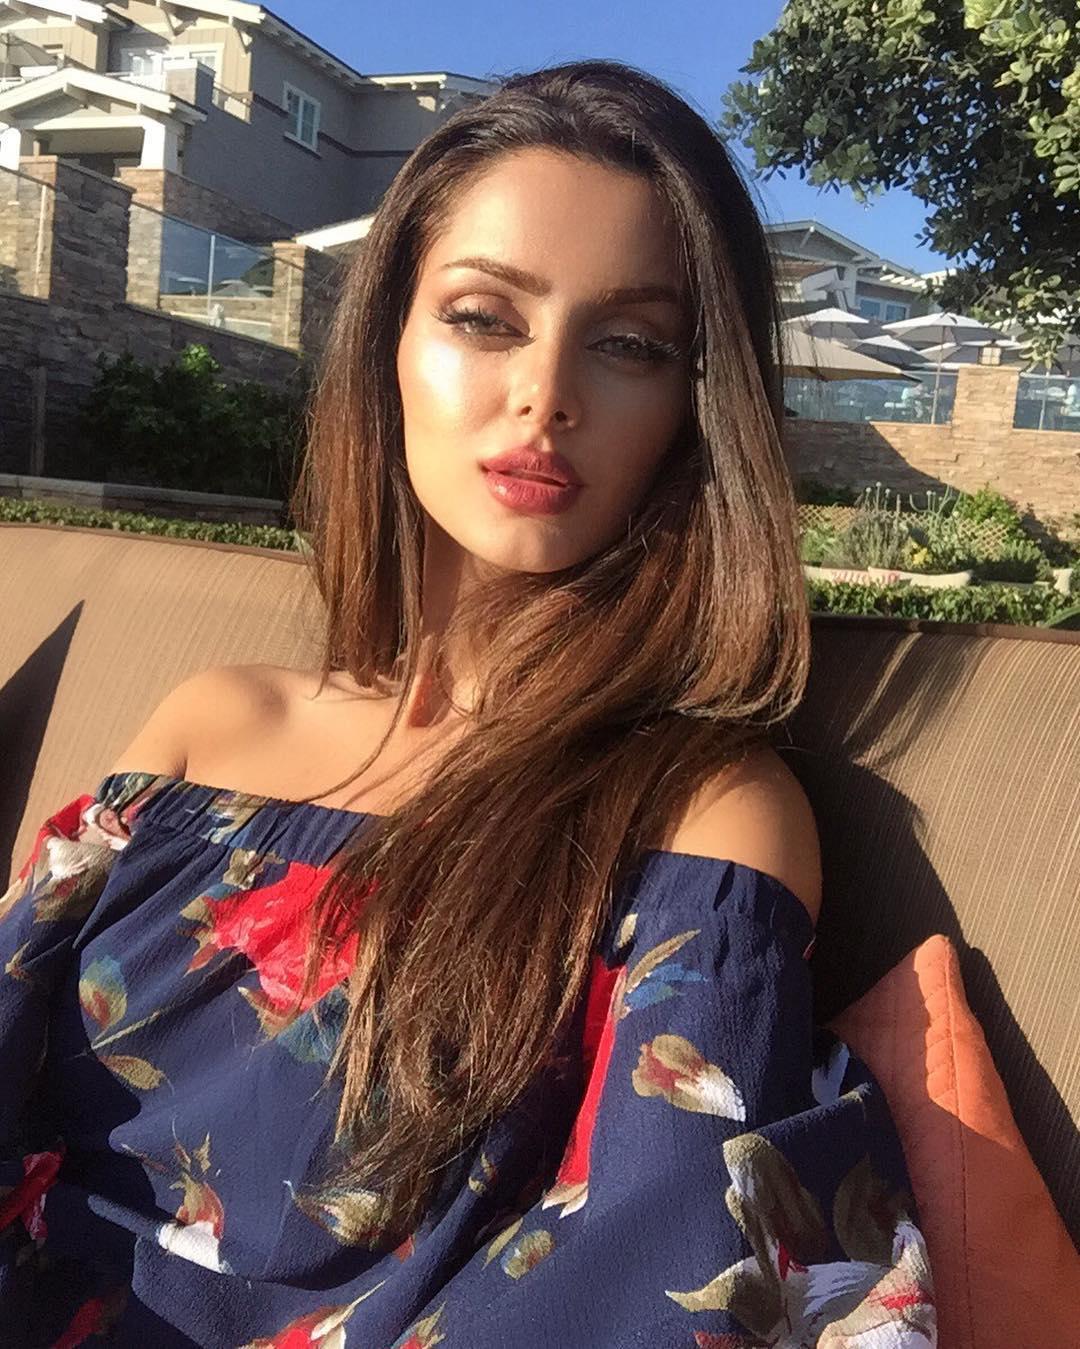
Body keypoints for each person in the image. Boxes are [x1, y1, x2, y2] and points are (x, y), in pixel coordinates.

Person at [0, 61, 935, 1347]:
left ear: (692, 410)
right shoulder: (207, 726)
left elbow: (644, 1283)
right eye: (486, 317)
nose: (547, 392)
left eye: (630, 344)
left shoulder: (699, 820)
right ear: (389, 341)